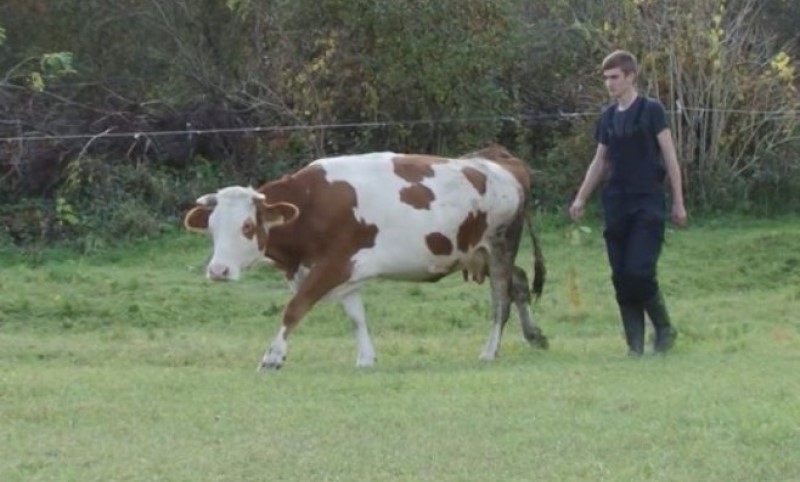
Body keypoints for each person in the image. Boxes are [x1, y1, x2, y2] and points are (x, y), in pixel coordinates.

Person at [569, 50, 687, 356]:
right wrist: (581, 197)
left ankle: (664, 329)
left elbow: (670, 158)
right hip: (616, 203)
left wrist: (679, 202)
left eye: (615, 77)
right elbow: (599, 161)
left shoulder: (651, 110)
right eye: (606, 78)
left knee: (639, 271)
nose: (610, 83)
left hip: (647, 202)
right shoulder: (607, 117)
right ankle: (634, 345)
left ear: (631, 76)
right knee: (620, 276)